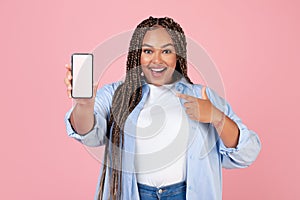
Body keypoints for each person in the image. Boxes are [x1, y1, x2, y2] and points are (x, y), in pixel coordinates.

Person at [64, 16, 261, 200]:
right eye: (148, 51)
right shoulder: (116, 95)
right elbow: (88, 132)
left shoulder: (202, 97)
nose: (156, 60)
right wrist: (83, 104)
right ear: (137, 55)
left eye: (166, 51)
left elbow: (247, 152)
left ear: (178, 55)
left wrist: (216, 117)